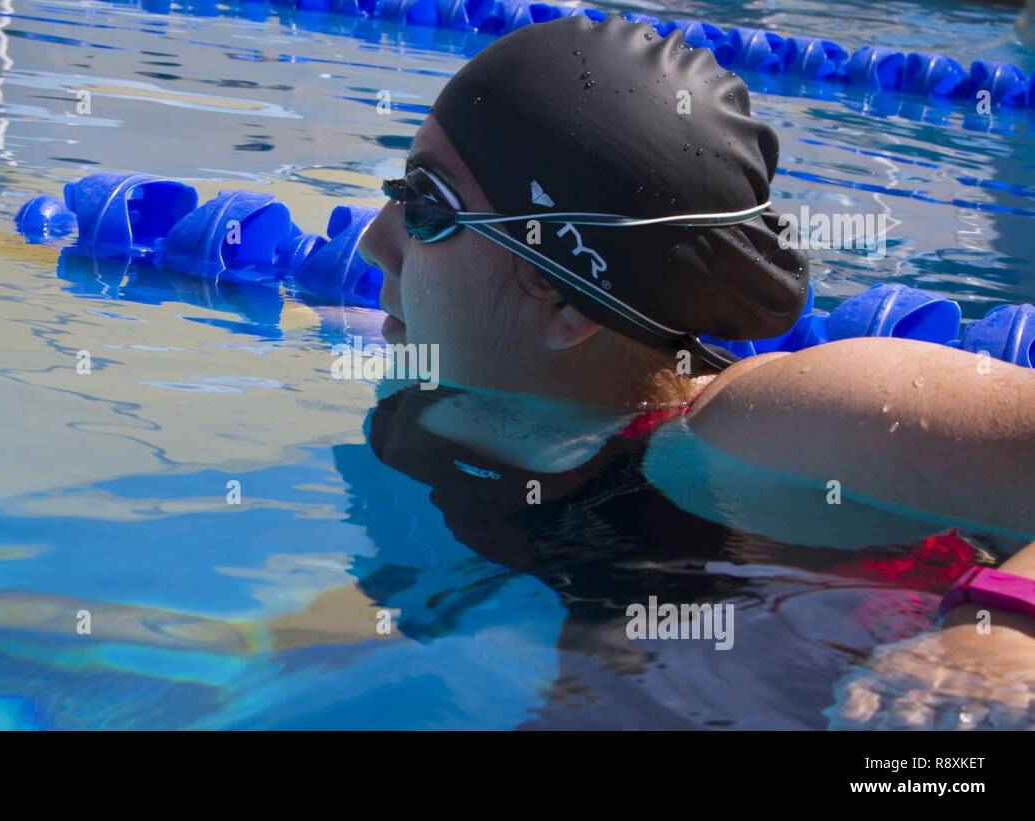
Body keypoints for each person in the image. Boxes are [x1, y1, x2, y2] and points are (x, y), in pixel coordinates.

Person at [353, 15, 1035, 725]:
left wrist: (1003, 638)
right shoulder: (427, 422)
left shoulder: (780, 421)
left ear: (569, 298)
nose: (374, 240)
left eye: (426, 206)